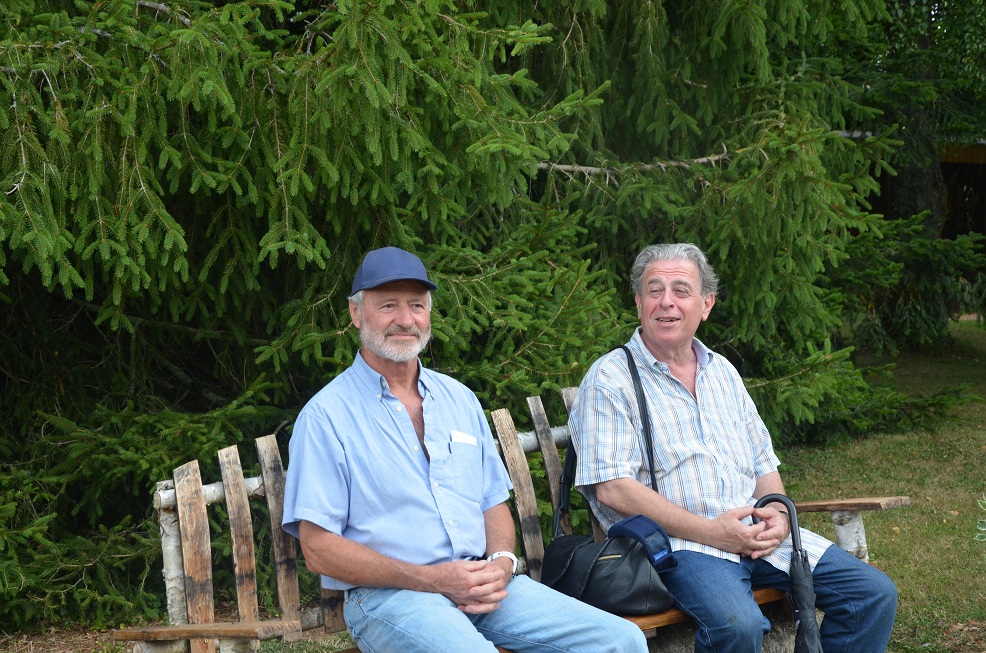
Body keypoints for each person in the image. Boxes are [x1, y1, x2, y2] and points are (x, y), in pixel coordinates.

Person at [282, 246, 648, 653]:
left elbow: (492, 502)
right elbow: (317, 548)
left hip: (480, 585)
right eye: (388, 305)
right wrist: (432, 580)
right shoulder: (326, 417)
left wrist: (503, 563)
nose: (405, 319)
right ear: (356, 313)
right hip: (390, 597)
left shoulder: (459, 399)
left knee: (622, 640)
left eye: (416, 305)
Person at [569, 243, 898, 653]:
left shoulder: (722, 371)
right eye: (654, 290)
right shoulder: (610, 378)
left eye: (681, 290)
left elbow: (762, 464)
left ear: (706, 304)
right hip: (680, 545)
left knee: (871, 594)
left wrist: (779, 516)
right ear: (638, 303)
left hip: (757, 537)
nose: (666, 302)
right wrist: (712, 532)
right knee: (737, 627)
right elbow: (612, 489)